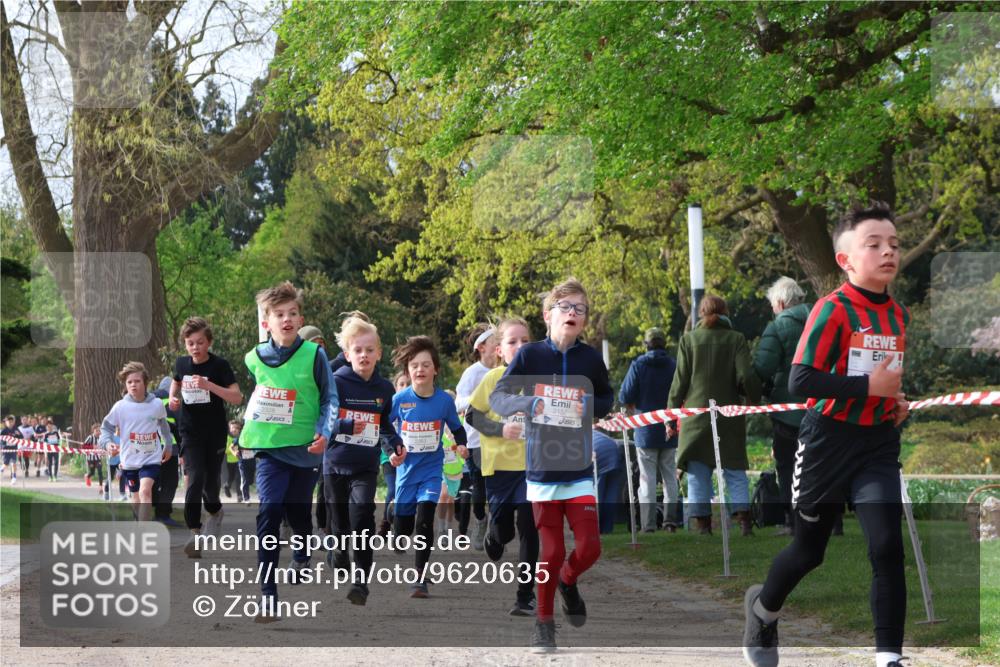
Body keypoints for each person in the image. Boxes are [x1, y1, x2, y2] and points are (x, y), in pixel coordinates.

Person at [743, 202, 911, 667]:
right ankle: (762, 611)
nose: (888, 252)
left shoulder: (899, 315)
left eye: (894, 244)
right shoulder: (832, 309)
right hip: (826, 442)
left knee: (886, 546)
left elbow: (884, 375)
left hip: (877, 442)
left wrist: (894, 400)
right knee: (809, 551)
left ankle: (889, 656)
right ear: (845, 260)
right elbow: (801, 380)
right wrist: (868, 388)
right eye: (873, 244)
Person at [490, 278, 613, 653]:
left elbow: (606, 399)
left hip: (578, 467)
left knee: (590, 547)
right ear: (548, 315)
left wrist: (588, 406)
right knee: (552, 552)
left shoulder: (590, 359)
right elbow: (498, 397)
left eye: (580, 309)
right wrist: (528, 404)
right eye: (566, 307)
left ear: (584, 320)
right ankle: (544, 624)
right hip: (543, 470)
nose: (573, 313)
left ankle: (567, 581)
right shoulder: (530, 357)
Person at [241, 281, 337, 622]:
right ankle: (268, 596)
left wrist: (325, 432)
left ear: (300, 319)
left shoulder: (315, 355)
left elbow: (330, 399)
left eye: (292, 313)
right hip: (269, 448)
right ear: (266, 321)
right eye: (279, 314)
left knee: (298, 516)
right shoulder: (254, 358)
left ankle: (302, 552)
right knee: (269, 512)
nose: (286, 319)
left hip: (306, 449)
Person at [667, 295, 761, 537]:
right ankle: (745, 524)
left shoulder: (688, 340)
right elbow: (746, 375)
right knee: (735, 470)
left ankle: (704, 528)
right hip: (728, 416)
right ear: (725, 312)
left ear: (701, 313)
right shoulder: (736, 338)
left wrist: (670, 417)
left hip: (695, 419)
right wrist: (753, 398)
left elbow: (679, 383)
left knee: (697, 474)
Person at [324, 314, 401, 606]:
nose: (364, 355)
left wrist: (395, 444)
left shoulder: (384, 389)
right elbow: (322, 421)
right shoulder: (336, 383)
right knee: (340, 524)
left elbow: (385, 424)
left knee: (363, 520)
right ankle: (339, 550)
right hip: (334, 465)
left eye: (370, 350)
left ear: (378, 353)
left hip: (365, 467)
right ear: (347, 354)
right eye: (358, 350)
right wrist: (345, 426)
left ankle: (360, 583)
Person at [466, 315, 539, 616]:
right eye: (512, 342)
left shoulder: (541, 381)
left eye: (525, 341)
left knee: (530, 527)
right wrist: (500, 429)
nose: (520, 346)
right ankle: (493, 536)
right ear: (499, 350)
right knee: (505, 531)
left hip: (533, 466)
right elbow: (472, 415)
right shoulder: (493, 379)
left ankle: (525, 595)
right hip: (499, 468)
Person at [389, 336, 468, 599]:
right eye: (414, 365)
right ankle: (394, 515)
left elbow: (457, 428)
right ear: (407, 370)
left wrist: (462, 445)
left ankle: (419, 578)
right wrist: (391, 451)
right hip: (406, 472)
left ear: (436, 369)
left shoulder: (444, 401)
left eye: (425, 365)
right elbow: (384, 428)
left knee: (424, 520)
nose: (420, 369)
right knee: (403, 529)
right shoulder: (400, 399)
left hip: (432, 471)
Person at [169, 317, 242, 556]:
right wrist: (173, 397)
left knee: (211, 486)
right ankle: (194, 533)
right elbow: (176, 381)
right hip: (190, 432)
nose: (195, 347)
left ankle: (215, 511)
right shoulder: (182, 363)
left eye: (200, 342)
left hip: (215, 433)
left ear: (209, 342)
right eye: (190, 343)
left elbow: (237, 397)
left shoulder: (219, 366)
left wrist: (209, 386)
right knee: (194, 478)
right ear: (185, 344)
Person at [753, 277, 811, 536]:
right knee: (820, 464)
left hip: (787, 411)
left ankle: (791, 520)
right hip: (821, 405)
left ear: (780, 302)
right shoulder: (820, 319)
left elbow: (763, 368)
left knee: (787, 466)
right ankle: (834, 522)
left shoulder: (777, 327)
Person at [619, 326, 680, 533]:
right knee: (670, 477)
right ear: (665, 344)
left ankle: (649, 524)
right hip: (669, 429)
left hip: (645, 430)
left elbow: (624, 395)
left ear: (646, 345)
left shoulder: (638, 365)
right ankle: (670, 522)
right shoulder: (673, 365)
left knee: (647, 479)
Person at [99, 361, 173, 522]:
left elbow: (164, 427)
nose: (133, 385)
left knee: (145, 491)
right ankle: (139, 521)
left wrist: (168, 446)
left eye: (137, 381)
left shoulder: (156, 404)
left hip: (151, 458)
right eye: (129, 382)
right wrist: (107, 444)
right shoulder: (120, 407)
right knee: (136, 497)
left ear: (145, 383)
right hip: (130, 460)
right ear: (125, 385)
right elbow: (105, 429)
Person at [455, 323, 498, 550]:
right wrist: (479, 397)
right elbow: (458, 403)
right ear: (481, 347)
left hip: (501, 439)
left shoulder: (506, 370)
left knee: (498, 487)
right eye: (495, 341)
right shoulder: (472, 373)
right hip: (475, 440)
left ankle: (497, 527)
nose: (500, 345)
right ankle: (481, 519)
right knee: (480, 490)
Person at [299, 324, 330, 542]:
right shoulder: (292, 369)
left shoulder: (331, 370)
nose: (319, 349)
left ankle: (322, 528)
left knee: (323, 484)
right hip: (296, 435)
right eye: (313, 344)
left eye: (321, 345)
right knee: (298, 486)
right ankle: (291, 524)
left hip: (323, 436)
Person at [378, 371, 410, 537]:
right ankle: (385, 523)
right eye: (401, 384)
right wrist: (390, 452)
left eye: (408, 384)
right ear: (395, 387)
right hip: (388, 456)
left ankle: (398, 532)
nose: (405, 387)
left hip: (409, 457)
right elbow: (382, 432)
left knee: (404, 493)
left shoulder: (416, 407)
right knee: (393, 489)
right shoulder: (389, 406)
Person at [151, 376, 182, 526]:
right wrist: (183, 449)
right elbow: (180, 427)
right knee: (170, 482)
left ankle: (151, 509)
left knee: (151, 480)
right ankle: (162, 514)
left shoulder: (148, 400)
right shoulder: (172, 402)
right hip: (170, 448)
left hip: (147, 447)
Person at [592, 428, 626, 535]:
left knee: (598, 494)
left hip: (599, 454)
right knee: (611, 494)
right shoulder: (594, 432)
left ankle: (596, 527)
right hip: (615, 451)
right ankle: (607, 529)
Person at [231, 421, 254, 504]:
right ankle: (246, 498)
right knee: (245, 480)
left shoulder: (253, 437)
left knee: (250, 480)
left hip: (252, 460)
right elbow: (231, 447)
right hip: (242, 461)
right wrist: (234, 453)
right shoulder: (239, 438)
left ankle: (244, 485)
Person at [82, 423, 105, 494]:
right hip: (90, 459)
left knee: (100, 472)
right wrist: (92, 447)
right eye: (96, 431)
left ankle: (100, 487)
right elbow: (83, 447)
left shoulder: (101, 438)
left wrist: (103, 452)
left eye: (99, 430)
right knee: (92, 473)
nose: (98, 432)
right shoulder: (90, 437)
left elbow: (103, 447)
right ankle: (87, 476)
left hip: (98, 458)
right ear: (93, 431)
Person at [1, 416, 19, 482]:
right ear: (6, 423)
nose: (10, 423)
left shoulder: (16, 429)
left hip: (14, 449)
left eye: (12, 422)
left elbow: (21, 437)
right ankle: (1, 469)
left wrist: (18, 434)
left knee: (13, 463)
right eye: (9, 422)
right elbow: (1, 440)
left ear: (13, 422)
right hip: (6, 449)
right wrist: (4, 442)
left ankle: (14, 477)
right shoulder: (4, 430)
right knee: (6, 463)